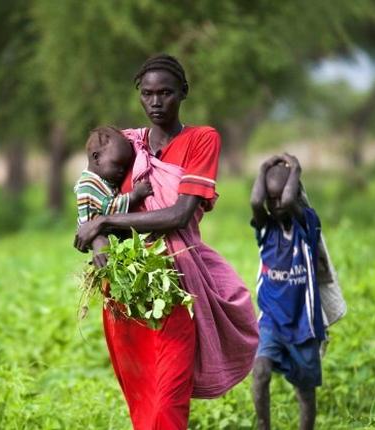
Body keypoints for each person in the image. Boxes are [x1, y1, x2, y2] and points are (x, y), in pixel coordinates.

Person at [73, 54, 258, 430]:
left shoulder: (201, 140)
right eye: (147, 94)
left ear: (183, 93)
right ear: (139, 96)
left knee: (169, 394)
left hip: (175, 285)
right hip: (127, 284)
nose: (156, 103)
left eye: (166, 93)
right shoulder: (125, 144)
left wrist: (105, 221)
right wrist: (96, 239)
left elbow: (179, 214)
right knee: (142, 396)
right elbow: (91, 195)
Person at [248, 153, 326, 430]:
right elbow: (256, 201)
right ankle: (263, 426)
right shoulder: (265, 230)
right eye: (272, 199)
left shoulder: (307, 226)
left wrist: (297, 168)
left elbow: (292, 200)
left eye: (280, 196)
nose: (277, 203)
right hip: (271, 321)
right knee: (260, 373)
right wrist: (263, 167)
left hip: (303, 324)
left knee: (305, 392)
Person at [74, 126, 153, 266]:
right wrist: (135, 195)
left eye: (125, 166)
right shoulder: (89, 184)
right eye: (117, 165)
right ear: (96, 158)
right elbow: (110, 208)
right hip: (97, 235)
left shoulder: (103, 180)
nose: (122, 171)